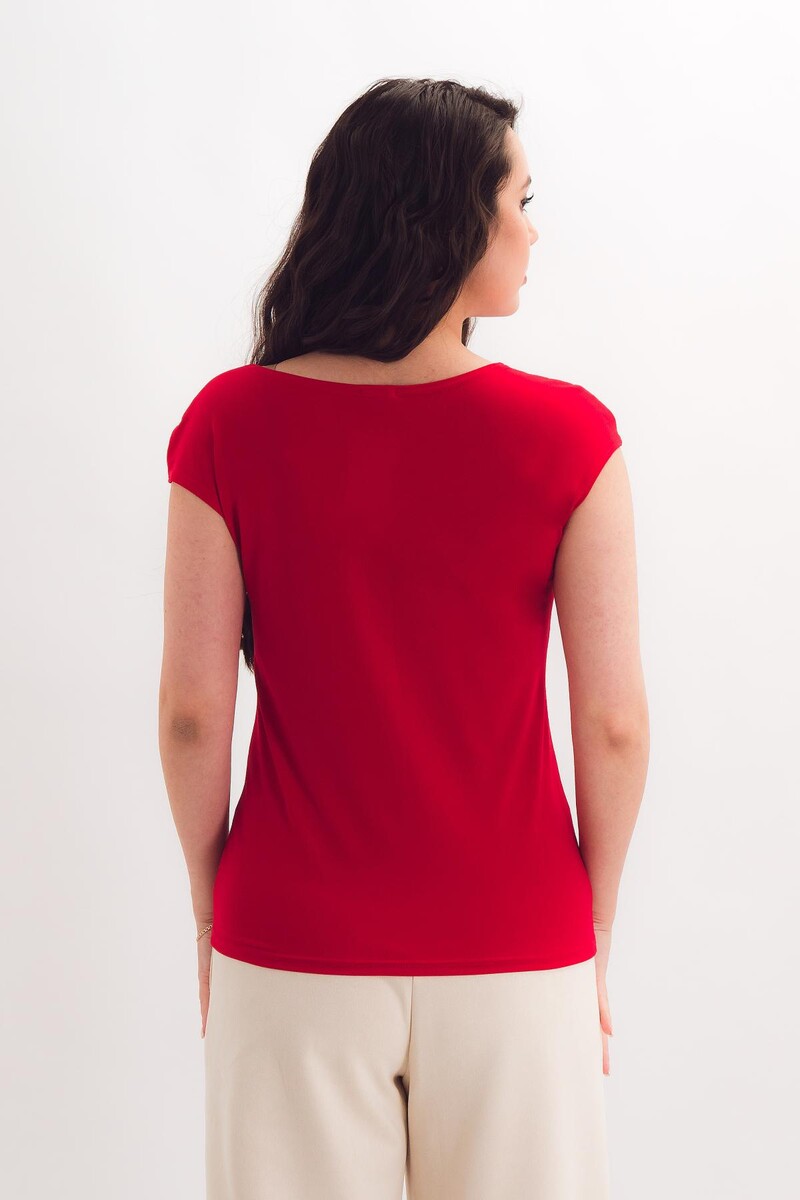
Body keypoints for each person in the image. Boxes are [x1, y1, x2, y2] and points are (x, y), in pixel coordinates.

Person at [159, 76, 649, 1200]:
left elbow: (191, 716)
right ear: (448, 216)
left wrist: (208, 909)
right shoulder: (569, 436)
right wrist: (595, 927)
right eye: (520, 200)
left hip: (290, 942)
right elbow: (615, 725)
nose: (533, 230)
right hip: (517, 942)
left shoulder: (229, 424)